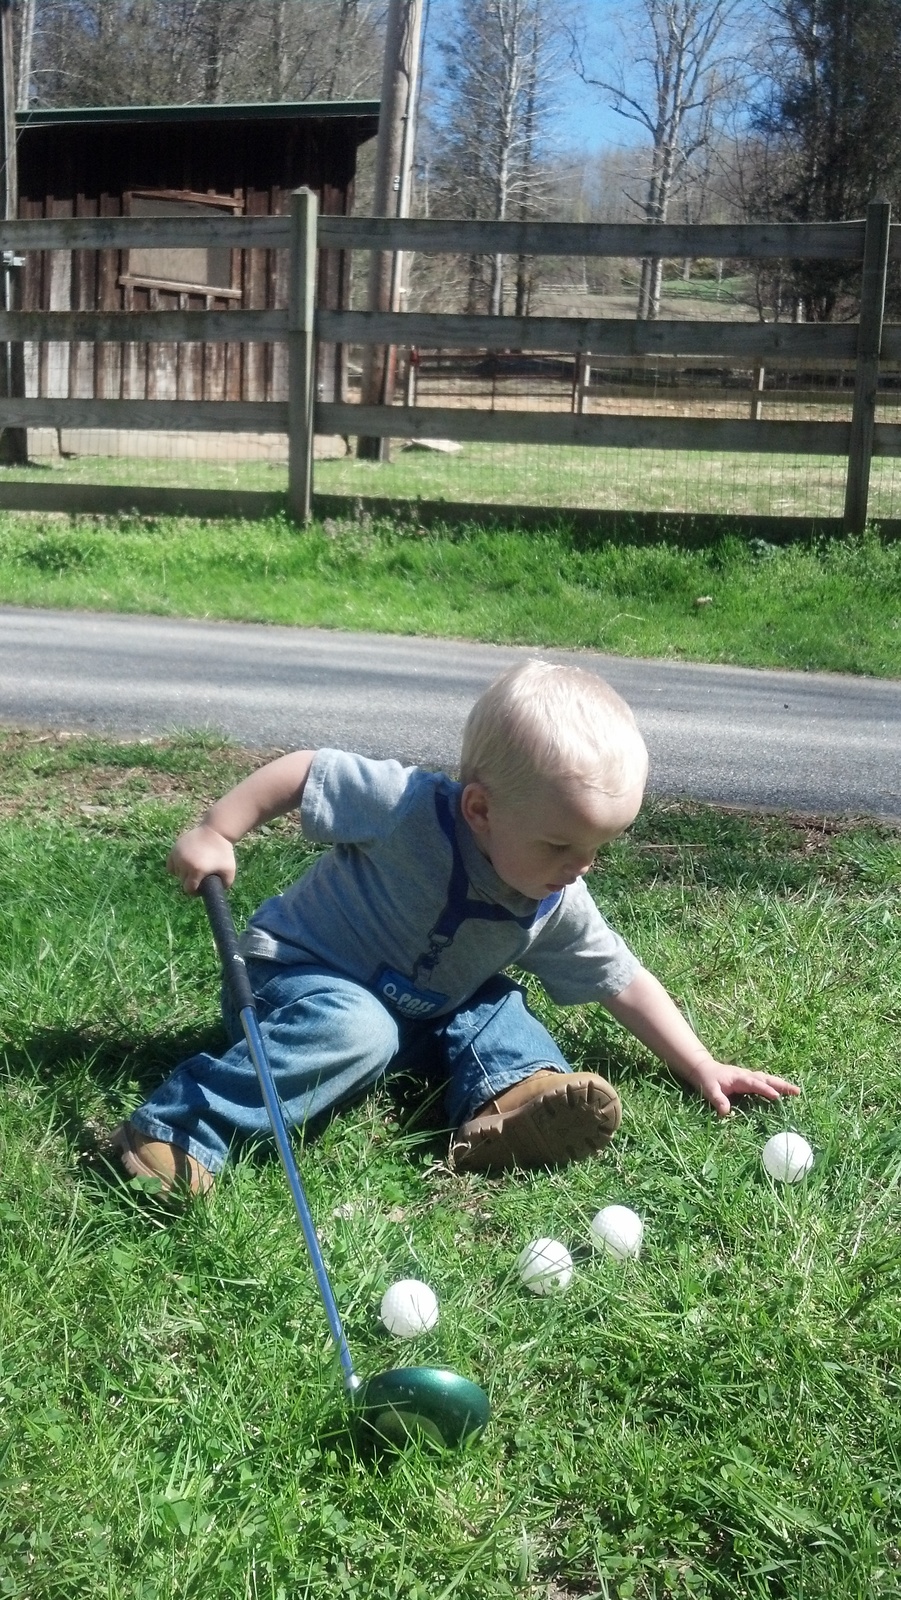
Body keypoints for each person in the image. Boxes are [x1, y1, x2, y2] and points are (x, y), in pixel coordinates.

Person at [113, 659, 799, 1196]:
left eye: (598, 849)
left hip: (419, 1006)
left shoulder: (554, 897)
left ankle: (513, 1103)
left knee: (493, 1003)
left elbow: (620, 981)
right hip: (293, 982)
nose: (580, 867)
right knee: (362, 1027)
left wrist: (701, 1063)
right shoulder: (406, 808)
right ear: (478, 809)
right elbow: (305, 771)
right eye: (559, 846)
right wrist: (215, 828)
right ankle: (179, 1130)